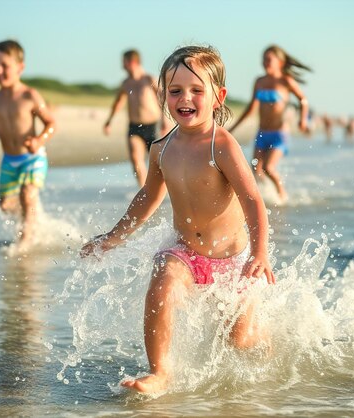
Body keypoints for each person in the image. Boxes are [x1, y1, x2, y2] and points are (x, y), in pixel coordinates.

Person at [82, 45, 275, 394]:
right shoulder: (162, 148)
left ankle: (264, 337)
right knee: (163, 276)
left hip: (232, 263)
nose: (185, 98)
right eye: (175, 91)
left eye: (197, 90)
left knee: (239, 340)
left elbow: (252, 200)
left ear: (219, 96)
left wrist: (260, 253)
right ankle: (161, 372)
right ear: (162, 95)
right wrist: (113, 236)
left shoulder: (222, 145)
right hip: (186, 253)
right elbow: (148, 197)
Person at [0, 40, 56, 247]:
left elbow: (51, 123)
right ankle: (31, 217)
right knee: (5, 205)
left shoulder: (29, 96)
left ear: (20, 68)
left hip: (33, 157)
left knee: (26, 193)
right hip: (9, 160)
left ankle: (25, 241)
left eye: (5, 65)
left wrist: (40, 139)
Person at [229, 45, 311, 202]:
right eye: (263, 59)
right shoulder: (259, 81)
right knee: (255, 169)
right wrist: (233, 128)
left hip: (279, 134)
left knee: (268, 167)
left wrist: (303, 119)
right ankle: (265, 194)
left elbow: (303, 99)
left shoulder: (285, 81)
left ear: (279, 62)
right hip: (262, 133)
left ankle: (282, 195)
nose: (264, 62)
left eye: (268, 59)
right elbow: (251, 108)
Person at [104, 49, 169, 187]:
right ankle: (144, 190)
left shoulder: (148, 80)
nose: (122, 66)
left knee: (159, 163)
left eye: (124, 62)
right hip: (134, 127)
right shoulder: (126, 83)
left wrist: (165, 121)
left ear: (132, 62)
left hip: (153, 126)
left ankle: (164, 191)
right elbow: (118, 103)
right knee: (135, 159)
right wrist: (109, 121)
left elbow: (163, 99)